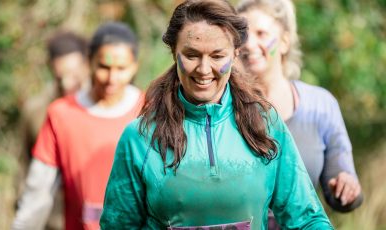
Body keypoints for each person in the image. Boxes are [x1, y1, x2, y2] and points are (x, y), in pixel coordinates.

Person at [100, 0, 333, 229]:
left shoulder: (265, 124)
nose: (204, 69)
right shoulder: (139, 138)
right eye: (191, 55)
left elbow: (306, 219)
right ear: (174, 53)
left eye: (217, 56)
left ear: (235, 53)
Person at [12, 22, 143, 230]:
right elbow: (37, 193)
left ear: (135, 66)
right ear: (90, 62)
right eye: (104, 67)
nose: (112, 78)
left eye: (121, 69)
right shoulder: (60, 115)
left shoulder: (149, 112)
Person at [236, 0, 363, 213]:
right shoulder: (223, 107)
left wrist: (347, 188)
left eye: (261, 33)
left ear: (285, 41)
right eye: (243, 36)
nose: (249, 44)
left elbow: (342, 188)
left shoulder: (321, 105)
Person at [17, 31, 90, 230]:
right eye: (59, 77)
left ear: (87, 65)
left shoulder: (103, 106)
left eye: (74, 76)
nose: (67, 84)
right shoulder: (36, 111)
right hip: (51, 220)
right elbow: (24, 167)